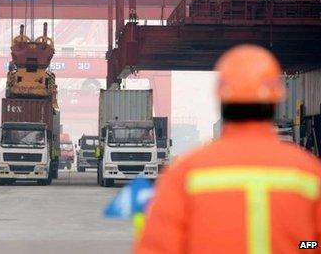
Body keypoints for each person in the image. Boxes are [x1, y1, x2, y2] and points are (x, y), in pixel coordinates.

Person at [135, 44, 321, 254]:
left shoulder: (184, 174)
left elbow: (158, 248)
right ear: (277, 96)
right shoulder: (309, 173)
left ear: (221, 96)